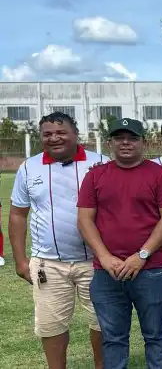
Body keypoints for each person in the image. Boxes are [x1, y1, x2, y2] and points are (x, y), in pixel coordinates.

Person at [77, 118, 162, 369]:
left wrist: (141, 255)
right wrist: (104, 257)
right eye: (119, 138)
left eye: (132, 138)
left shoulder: (161, 175)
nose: (125, 143)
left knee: (155, 335)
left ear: (144, 142)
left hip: (150, 269)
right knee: (113, 338)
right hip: (107, 271)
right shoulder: (95, 176)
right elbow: (84, 220)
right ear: (110, 142)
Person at [8, 111, 107, 369]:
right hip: (48, 264)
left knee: (103, 321)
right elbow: (18, 214)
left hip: (95, 261)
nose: (54, 138)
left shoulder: (101, 163)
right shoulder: (29, 167)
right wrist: (20, 260)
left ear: (76, 134)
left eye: (61, 132)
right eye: (47, 134)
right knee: (51, 325)